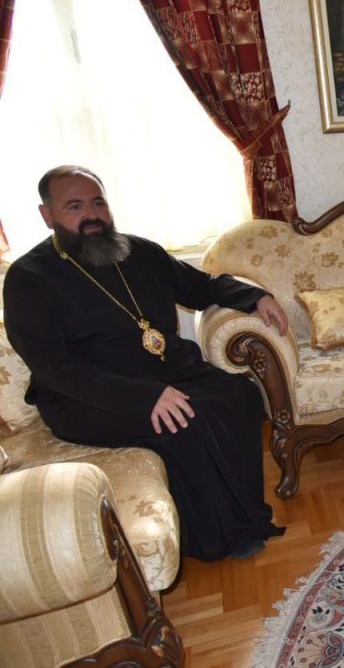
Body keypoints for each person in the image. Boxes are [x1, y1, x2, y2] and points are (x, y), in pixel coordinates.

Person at [3, 165, 290, 561]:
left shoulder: (139, 251)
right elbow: (53, 367)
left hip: (164, 371)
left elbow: (200, 286)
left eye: (98, 202)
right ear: (47, 214)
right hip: (86, 396)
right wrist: (142, 397)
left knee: (239, 394)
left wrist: (254, 296)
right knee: (184, 421)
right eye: (75, 206)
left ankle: (245, 515)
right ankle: (213, 538)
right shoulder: (28, 278)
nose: (92, 215)